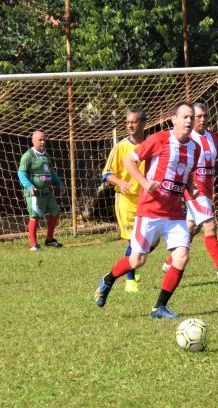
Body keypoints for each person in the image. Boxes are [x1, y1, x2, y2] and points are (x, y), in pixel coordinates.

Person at [94, 102, 201, 319]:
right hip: (150, 211)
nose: (189, 121)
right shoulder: (160, 139)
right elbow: (129, 161)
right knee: (137, 261)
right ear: (174, 120)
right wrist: (144, 183)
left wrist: (190, 187)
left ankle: (159, 307)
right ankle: (108, 279)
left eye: (192, 117)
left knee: (181, 257)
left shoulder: (194, 148)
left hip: (174, 214)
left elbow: (186, 175)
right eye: (185, 117)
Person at [162, 103, 218, 277]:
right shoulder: (187, 139)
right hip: (194, 190)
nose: (202, 119)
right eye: (198, 116)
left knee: (192, 227)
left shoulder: (212, 136)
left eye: (205, 115)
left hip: (208, 188)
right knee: (210, 224)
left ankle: (170, 262)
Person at [101, 108, 147, 292]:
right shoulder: (120, 147)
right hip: (126, 200)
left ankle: (131, 264)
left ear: (143, 123)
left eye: (133, 122)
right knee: (133, 242)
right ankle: (130, 280)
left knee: (151, 241)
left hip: (146, 200)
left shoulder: (149, 145)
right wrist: (121, 182)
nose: (129, 125)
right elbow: (106, 174)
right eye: (127, 122)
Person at [17, 130, 64, 250]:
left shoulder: (47, 156)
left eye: (44, 139)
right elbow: (21, 173)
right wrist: (29, 186)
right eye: (40, 140)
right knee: (35, 216)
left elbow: (51, 172)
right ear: (33, 141)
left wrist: (59, 183)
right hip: (34, 194)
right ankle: (33, 244)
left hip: (47, 192)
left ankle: (49, 240)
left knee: (55, 211)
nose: (43, 142)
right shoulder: (28, 156)